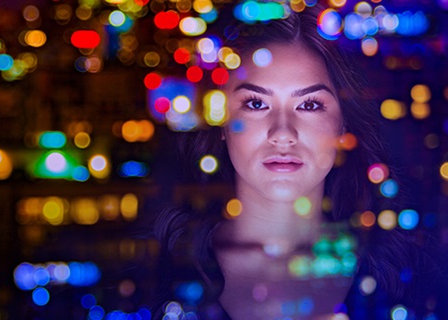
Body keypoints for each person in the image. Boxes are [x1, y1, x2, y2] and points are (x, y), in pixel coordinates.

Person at [153, 3, 435, 319]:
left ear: (343, 123)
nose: (283, 133)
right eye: (256, 103)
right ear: (222, 119)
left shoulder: (408, 277)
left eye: (310, 105)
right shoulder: (160, 271)